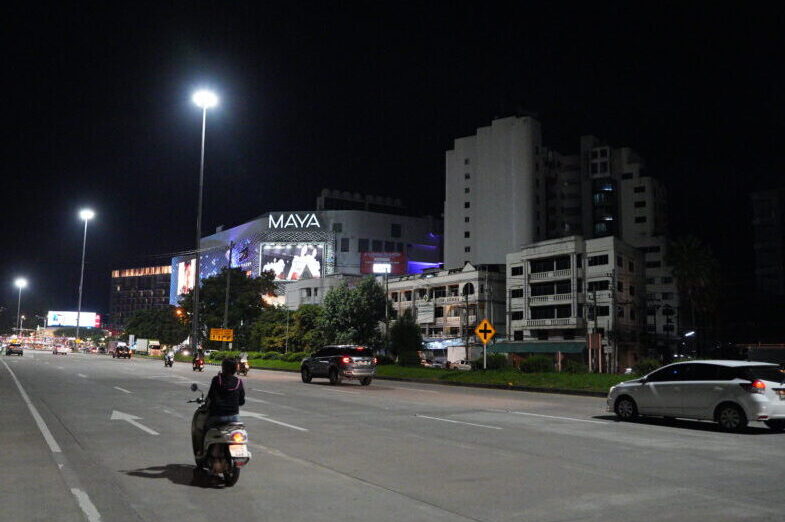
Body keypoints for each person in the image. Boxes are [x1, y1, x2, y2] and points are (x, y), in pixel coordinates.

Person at [204, 358, 246, 431]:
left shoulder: (217, 379)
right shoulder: (239, 381)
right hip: (234, 417)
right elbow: (242, 401)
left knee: (205, 429)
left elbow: (211, 396)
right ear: (235, 369)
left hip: (218, 416)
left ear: (223, 367)